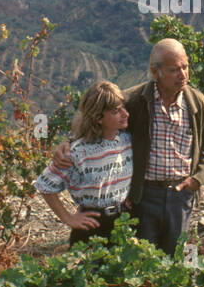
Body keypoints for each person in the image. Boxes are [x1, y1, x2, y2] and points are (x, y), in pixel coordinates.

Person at [53, 39, 204, 256]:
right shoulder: (134, 101)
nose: (183, 75)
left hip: (181, 195)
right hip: (143, 196)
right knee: (142, 258)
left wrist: (197, 179)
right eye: (174, 70)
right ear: (155, 72)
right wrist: (69, 142)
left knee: (180, 255)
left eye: (185, 67)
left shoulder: (197, 103)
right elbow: (97, 120)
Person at [35, 81, 133, 245]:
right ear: (98, 118)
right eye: (116, 111)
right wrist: (69, 218)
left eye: (124, 107)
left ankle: (192, 262)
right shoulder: (78, 152)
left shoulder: (126, 139)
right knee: (89, 270)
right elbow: (44, 186)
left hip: (123, 222)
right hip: (92, 225)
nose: (125, 114)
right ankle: (192, 261)